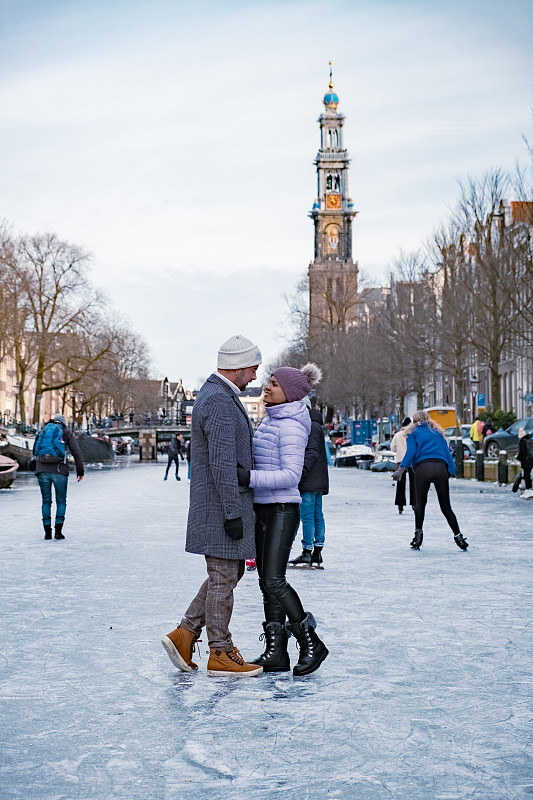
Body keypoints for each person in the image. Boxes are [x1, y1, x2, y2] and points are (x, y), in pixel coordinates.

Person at [161, 335, 263, 677]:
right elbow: (221, 462)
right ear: (238, 366)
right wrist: (233, 513)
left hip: (218, 504)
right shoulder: (219, 399)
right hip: (221, 506)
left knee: (226, 574)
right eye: (253, 369)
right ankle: (219, 650)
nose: (254, 378)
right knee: (223, 578)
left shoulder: (217, 394)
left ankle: (186, 633)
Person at [237, 364, 329, 676]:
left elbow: (291, 475)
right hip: (264, 507)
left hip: (281, 509)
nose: (267, 387)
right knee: (266, 582)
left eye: (274, 384)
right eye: (268, 382)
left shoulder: (291, 425)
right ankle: (276, 652)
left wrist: (248, 477)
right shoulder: (271, 419)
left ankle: (311, 641)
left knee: (275, 580)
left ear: (288, 393)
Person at [392, 410, 468, 551]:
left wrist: (401, 468)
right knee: (446, 507)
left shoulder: (412, 433)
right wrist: (450, 471)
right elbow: (447, 453)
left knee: (420, 503)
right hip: (440, 468)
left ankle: (418, 537)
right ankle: (459, 537)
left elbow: (411, 452)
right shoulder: (437, 433)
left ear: (413, 422)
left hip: (423, 468)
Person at [289, 397, 329, 567]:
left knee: (307, 516)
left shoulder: (311, 426)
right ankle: (317, 551)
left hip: (310, 478)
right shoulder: (317, 425)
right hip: (319, 478)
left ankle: (307, 551)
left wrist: (300, 472)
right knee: (317, 514)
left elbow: (311, 452)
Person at [33, 413, 84, 540]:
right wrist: (80, 471)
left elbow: (35, 451)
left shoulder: (43, 431)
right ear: (63, 423)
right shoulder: (66, 432)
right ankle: (58, 531)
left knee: (46, 501)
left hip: (41, 470)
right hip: (59, 470)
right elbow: (76, 452)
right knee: (61, 501)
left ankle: (47, 532)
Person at [390, 417, 416, 515]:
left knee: (400, 484)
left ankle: (400, 504)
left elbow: (392, 448)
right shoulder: (413, 435)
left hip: (400, 461)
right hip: (412, 461)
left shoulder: (397, 435)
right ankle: (414, 503)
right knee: (414, 483)